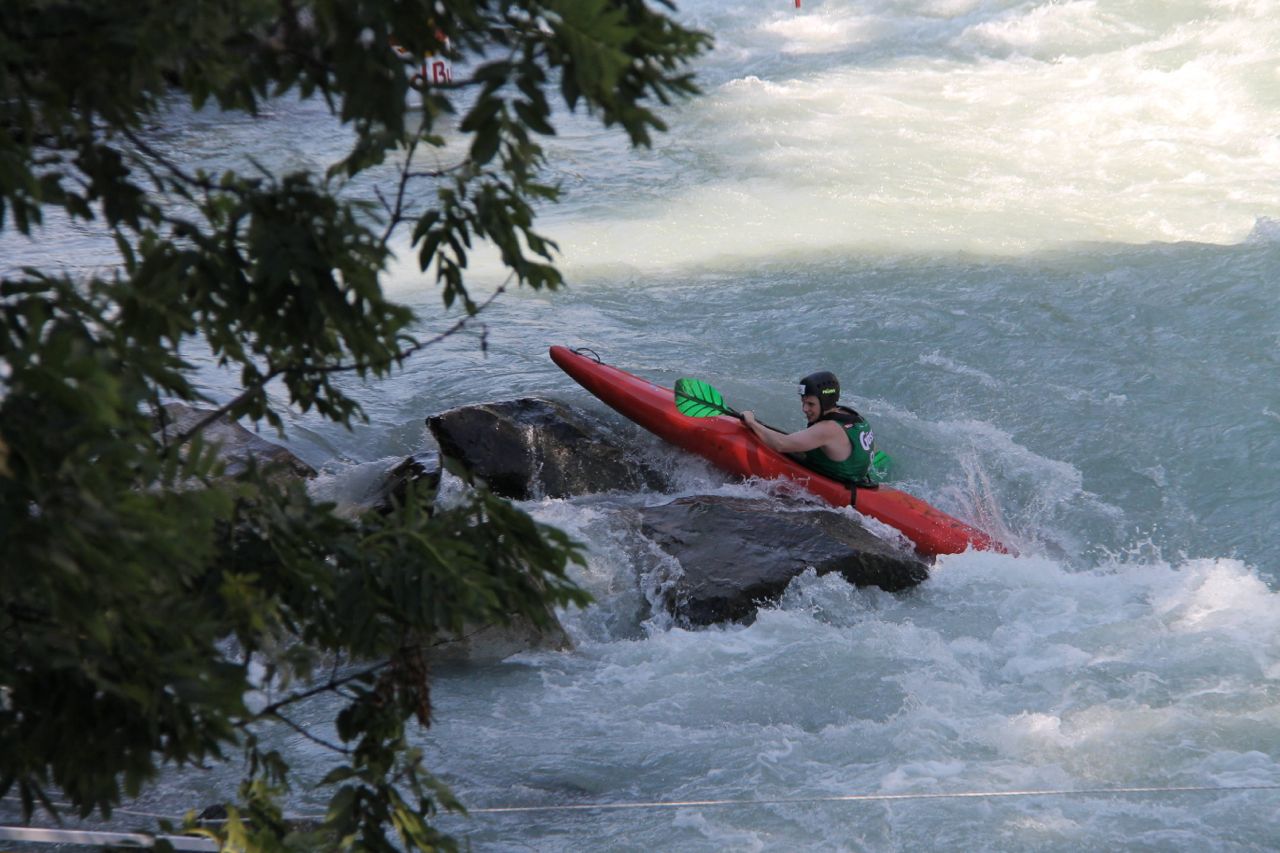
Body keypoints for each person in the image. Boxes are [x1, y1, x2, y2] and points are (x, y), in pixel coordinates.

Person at [741, 370, 882, 486]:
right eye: (803, 402)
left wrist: (751, 422)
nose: (804, 409)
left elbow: (781, 444)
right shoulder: (853, 416)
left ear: (825, 402)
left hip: (841, 492)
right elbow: (872, 448)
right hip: (859, 479)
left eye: (810, 404)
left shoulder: (827, 428)